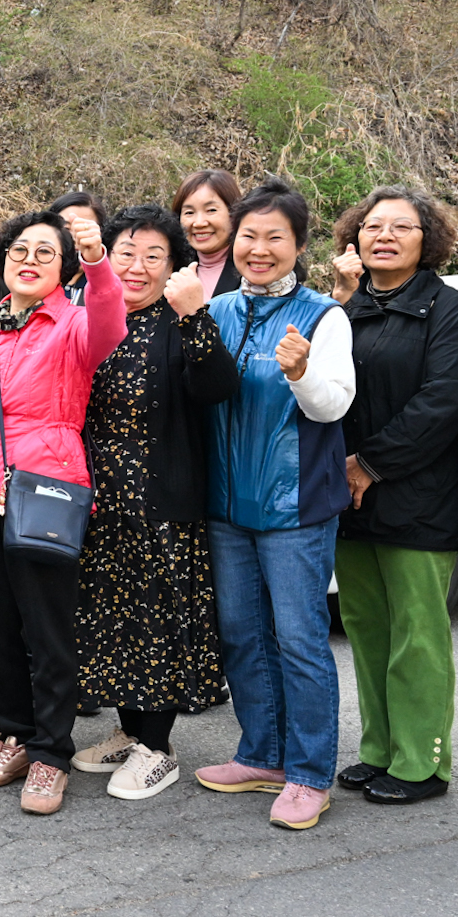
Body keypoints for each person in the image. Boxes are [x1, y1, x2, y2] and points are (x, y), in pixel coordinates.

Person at [0, 209, 125, 816]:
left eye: (46, 253)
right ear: (2, 260)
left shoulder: (74, 324)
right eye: (20, 249)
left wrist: (98, 263)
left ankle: (51, 754)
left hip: (46, 489)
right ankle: (16, 736)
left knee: (48, 631)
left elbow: (110, 323)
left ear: (64, 270)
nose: (29, 260)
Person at [194, 179, 356, 831]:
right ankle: (262, 753)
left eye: (274, 239)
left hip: (295, 511)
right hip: (228, 508)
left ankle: (311, 772)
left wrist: (301, 370)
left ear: (299, 246)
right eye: (249, 237)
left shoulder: (324, 316)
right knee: (241, 636)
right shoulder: (218, 310)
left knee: (299, 641)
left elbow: (333, 404)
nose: (259, 250)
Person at [66, 206, 236, 802]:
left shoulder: (179, 321)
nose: (136, 268)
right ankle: (129, 729)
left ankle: (157, 747)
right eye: (125, 254)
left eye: (153, 257)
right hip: (95, 498)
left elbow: (218, 387)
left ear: (174, 267)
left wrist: (193, 317)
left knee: (155, 621)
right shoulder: (90, 317)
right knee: (109, 617)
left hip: (161, 501)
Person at [325, 187, 458, 806]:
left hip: (419, 497)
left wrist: (369, 463)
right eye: (372, 225)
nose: (383, 235)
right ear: (354, 238)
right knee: (366, 628)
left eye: (401, 226)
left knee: (418, 632)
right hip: (347, 496)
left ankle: (422, 764)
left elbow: (442, 403)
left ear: (428, 240)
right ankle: (379, 749)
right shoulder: (343, 308)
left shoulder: (448, 310)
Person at [175, 169, 244, 298]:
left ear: (233, 214)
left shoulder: (251, 272)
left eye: (211, 210)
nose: (199, 223)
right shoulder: (171, 267)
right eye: (189, 212)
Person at [47, 191, 111, 304]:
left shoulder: (107, 288)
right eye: (66, 229)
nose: (75, 237)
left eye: (84, 229)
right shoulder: (32, 281)